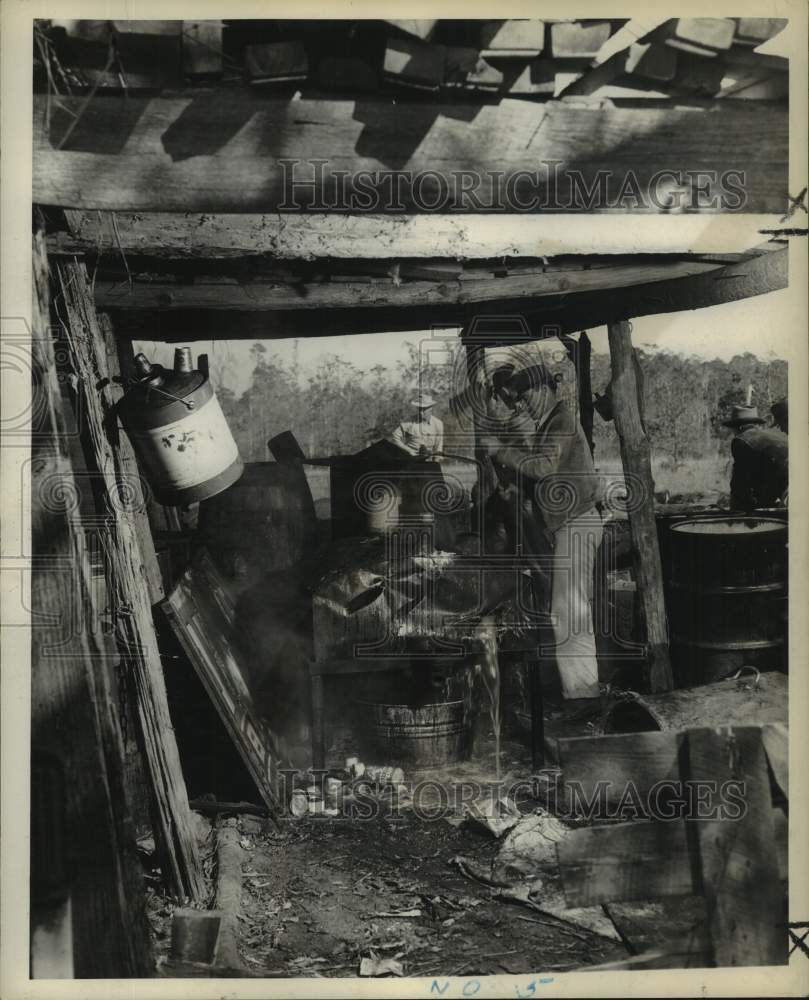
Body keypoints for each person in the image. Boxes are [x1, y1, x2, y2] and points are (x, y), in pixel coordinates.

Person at [482, 363, 605, 701]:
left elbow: (544, 466)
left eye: (525, 396)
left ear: (544, 390)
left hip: (577, 525)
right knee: (568, 613)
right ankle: (582, 694)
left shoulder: (562, 421)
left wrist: (500, 451)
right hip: (570, 525)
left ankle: (584, 698)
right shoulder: (549, 424)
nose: (523, 403)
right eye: (518, 399)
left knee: (569, 614)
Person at [724, 403, 788, 511]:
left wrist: (735, 509)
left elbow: (739, 482)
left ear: (739, 427)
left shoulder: (741, 440)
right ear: (755, 424)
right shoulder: (774, 435)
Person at [390, 391, 443, 459]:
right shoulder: (408, 422)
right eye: (419, 409)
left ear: (430, 409)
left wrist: (435, 463)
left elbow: (438, 447)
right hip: (410, 459)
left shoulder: (438, 424)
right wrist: (409, 451)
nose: (421, 412)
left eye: (424, 409)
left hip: (428, 460)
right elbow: (394, 437)